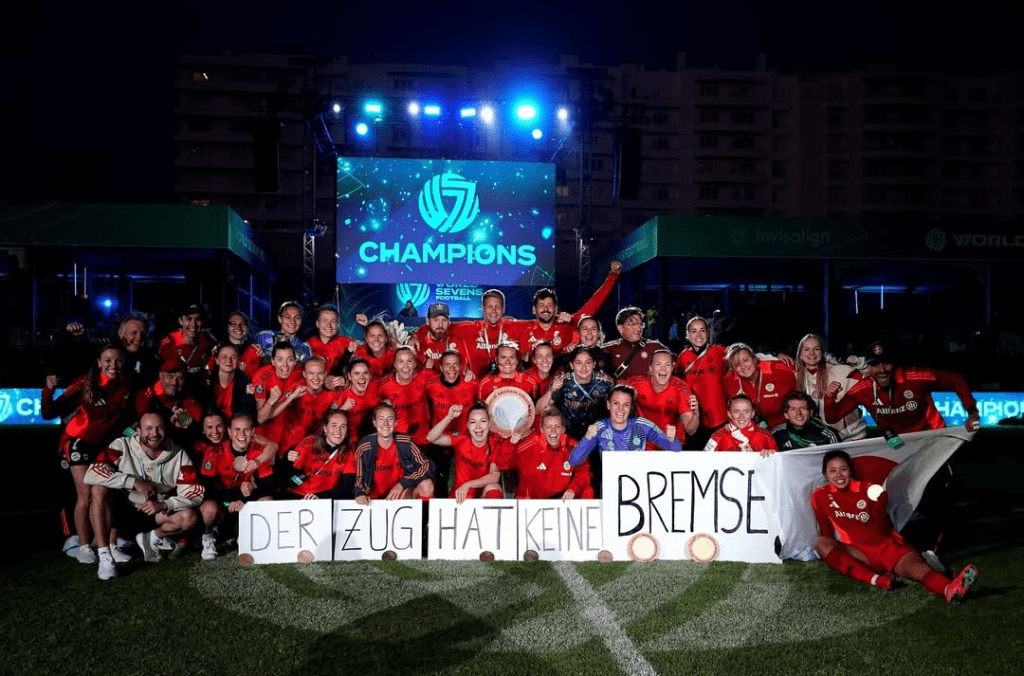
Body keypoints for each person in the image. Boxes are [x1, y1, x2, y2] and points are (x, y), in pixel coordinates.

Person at [812, 450, 977, 603]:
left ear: (851, 471)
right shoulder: (819, 495)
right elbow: (826, 532)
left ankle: (950, 588)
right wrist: (832, 556)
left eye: (843, 469)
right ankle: (876, 579)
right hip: (860, 554)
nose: (839, 475)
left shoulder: (869, 489)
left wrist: (879, 503)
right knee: (821, 542)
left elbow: (881, 529)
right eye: (832, 470)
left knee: (919, 571)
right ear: (825, 474)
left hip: (889, 549)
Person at [42, 344, 133, 565]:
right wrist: (48, 389)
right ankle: (85, 547)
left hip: (103, 446)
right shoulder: (86, 382)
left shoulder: (128, 384)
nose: (114, 365)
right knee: (86, 495)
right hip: (77, 443)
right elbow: (48, 413)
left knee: (107, 493)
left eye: (118, 360)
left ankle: (110, 545)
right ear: (99, 363)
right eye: (108, 360)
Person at [84, 411, 203, 579]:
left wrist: (164, 504)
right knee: (98, 489)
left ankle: (151, 538)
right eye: (148, 428)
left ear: (166, 430)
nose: (154, 434)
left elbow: (195, 492)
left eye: (159, 428)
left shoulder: (178, 454)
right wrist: (133, 482)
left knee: (190, 518)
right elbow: (92, 473)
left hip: (157, 512)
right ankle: (105, 556)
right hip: (124, 511)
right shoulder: (122, 445)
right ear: (138, 431)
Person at [823, 341, 980, 434]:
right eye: (875, 365)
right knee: (900, 477)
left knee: (938, 478)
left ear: (894, 363)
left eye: (886, 362)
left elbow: (956, 379)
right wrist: (829, 398)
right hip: (893, 437)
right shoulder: (862, 389)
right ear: (868, 368)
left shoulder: (914, 377)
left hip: (930, 432)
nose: (882, 369)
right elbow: (832, 417)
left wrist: (972, 412)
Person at [197, 413, 276, 560]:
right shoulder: (215, 452)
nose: (241, 434)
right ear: (229, 432)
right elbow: (207, 490)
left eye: (246, 430)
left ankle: (248, 536)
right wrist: (235, 494)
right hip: (223, 503)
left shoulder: (260, 454)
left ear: (252, 432)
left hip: (245, 504)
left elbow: (268, 488)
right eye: (237, 429)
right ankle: (208, 538)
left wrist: (245, 499)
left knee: (267, 501)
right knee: (208, 508)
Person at [569, 385, 682, 467]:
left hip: (637, 485)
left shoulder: (642, 425)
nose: (621, 409)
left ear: (631, 407)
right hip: (611, 488)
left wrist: (671, 440)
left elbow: (677, 449)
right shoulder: (599, 428)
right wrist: (587, 438)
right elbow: (574, 460)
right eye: (616, 403)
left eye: (626, 404)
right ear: (608, 405)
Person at [501, 409, 594, 500]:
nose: (553, 431)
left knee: (588, 491)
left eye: (557, 426)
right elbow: (504, 465)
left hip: (560, 500)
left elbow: (584, 473)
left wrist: (573, 489)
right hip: (530, 500)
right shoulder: (529, 445)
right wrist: (510, 444)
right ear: (541, 429)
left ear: (563, 429)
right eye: (548, 427)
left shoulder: (573, 447)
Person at [353, 402, 435, 503]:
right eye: (381, 419)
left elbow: (427, 465)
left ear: (396, 423)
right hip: (373, 499)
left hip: (399, 494)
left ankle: (423, 516)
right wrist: (360, 493)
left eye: (390, 419)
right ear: (374, 422)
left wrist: (402, 484)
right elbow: (359, 475)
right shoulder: (365, 446)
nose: (385, 424)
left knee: (427, 484)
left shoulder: (405, 442)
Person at [425, 403, 504, 503]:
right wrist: (449, 417)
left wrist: (468, 484)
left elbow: (495, 476)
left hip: (482, 497)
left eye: (482, 421)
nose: (478, 427)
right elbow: (431, 438)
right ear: (467, 425)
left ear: (489, 424)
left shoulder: (496, 442)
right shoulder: (461, 439)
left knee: (494, 489)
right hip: (460, 497)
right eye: (473, 422)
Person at [794, 333, 865, 440]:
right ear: (800, 354)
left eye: (816, 349)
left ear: (822, 352)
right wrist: (779, 354)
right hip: (822, 438)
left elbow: (871, 373)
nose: (812, 353)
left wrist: (856, 361)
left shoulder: (839, 370)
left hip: (852, 435)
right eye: (806, 349)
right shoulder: (796, 376)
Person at [537, 345, 615, 441]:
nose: (583, 367)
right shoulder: (562, 381)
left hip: (596, 435)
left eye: (588, 362)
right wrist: (551, 391)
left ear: (594, 364)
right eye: (579, 363)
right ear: (571, 365)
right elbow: (539, 410)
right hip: (568, 437)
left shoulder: (605, 382)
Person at [626, 349, 700, 449]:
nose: (663, 369)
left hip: (671, 445)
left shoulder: (680, 388)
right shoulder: (635, 384)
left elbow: (691, 430)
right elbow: (612, 399)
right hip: (643, 446)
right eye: (658, 364)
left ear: (672, 369)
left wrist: (696, 414)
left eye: (668, 365)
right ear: (650, 368)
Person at [672, 316, 730, 442]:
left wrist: (773, 356)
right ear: (687, 335)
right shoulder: (683, 357)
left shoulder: (719, 351)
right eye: (694, 331)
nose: (698, 335)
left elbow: (744, 357)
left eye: (702, 330)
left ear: (708, 333)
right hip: (695, 418)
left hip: (719, 418)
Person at [282, 410, 357, 500]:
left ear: (347, 431)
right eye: (333, 425)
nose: (338, 430)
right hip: (297, 496)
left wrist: (320, 497)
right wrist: (301, 486)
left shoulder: (350, 451)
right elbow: (289, 478)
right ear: (325, 428)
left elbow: (347, 488)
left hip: (326, 498)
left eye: (343, 426)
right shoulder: (308, 443)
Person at [723, 342, 797, 430]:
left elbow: (802, 371)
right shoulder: (729, 380)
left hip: (783, 427)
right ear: (733, 368)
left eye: (746, 360)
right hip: (751, 430)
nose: (743, 366)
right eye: (737, 364)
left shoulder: (776, 369)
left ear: (754, 359)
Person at [278, 357, 341, 453]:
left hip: (317, 446)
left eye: (320, 374)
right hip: (290, 445)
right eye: (311, 373)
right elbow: (276, 410)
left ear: (325, 374)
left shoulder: (331, 396)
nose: (316, 378)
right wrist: (292, 398)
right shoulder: (296, 389)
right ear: (304, 374)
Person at [376, 345, 436, 445]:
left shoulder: (426, 376)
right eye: (401, 361)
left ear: (415, 363)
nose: (406, 366)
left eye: (410, 361)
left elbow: (446, 383)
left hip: (424, 438)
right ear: (394, 365)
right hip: (397, 440)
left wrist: (467, 375)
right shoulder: (383, 386)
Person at [134, 358, 204, 441]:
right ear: (161, 376)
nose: (174, 383)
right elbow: (144, 425)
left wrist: (184, 422)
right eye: (170, 377)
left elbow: (196, 416)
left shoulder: (186, 394)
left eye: (179, 378)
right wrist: (169, 423)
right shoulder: (146, 395)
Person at [251, 341, 306, 445]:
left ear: (295, 362)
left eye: (289, 360)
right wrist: (272, 401)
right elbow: (260, 419)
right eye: (280, 360)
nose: (285, 365)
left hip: (288, 422)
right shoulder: (262, 377)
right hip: (262, 428)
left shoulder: (300, 371)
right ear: (273, 361)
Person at [158, 303, 216, 395]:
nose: (193, 324)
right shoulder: (168, 343)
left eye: (198, 319)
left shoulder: (208, 341)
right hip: (178, 393)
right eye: (188, 319)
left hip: (201, 391)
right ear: (180, 321)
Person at [603, 307, 669, 382]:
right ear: (620, 328)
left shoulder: (655, 347)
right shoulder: (609, 349)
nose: (639, 329)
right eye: (633, 324)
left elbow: (674, 369)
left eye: (641, 324)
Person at [408, 303, 472, 377]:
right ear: (428, 321)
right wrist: (425, 368)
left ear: (449, 322)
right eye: (436, 320)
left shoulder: (456, 339)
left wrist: (466, 372)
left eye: (444, 320)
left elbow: (462, 368)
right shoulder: (418, 343)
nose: (440, 325)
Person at [704, 394, 779, 456]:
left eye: (746, 412)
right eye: (736, 412)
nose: (741, 416)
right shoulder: (718, 436)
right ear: (729, 414)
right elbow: (704, 459)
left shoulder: (766, 436)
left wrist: (771, 456)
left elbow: (778, 465)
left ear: (752, 413)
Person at [307, 304, 358, 387]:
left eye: (333, 321)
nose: (329, 325)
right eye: (324, 321)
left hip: (339, 390)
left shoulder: (345, 342)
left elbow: (369, 347)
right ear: (317, 323)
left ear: (337, 324)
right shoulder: (308, 345)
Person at [771, 391, 840, 450]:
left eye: (803, 408)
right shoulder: (777, 434)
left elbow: (839, 461)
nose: (798, 413)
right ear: (786, 414)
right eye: (793, 409)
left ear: (811, 412)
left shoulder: (828, 435)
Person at [335, 358, 381, 446]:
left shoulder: (376, 388)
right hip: (348, 442)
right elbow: (328, 423)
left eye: (365, 373)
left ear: (370, 375)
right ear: (349, 376)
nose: (361, 377)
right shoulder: (342, 395)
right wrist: (343, 409)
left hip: (373, 439)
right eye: (356, 373)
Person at [477, 342, 542, 402]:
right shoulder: (486, 383)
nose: (508, 362)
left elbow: (535, 410)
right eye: (503, 357)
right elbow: (481, 411)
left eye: (512, 357)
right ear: (496, 360)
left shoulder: (529, 383)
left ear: (517, 360)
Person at [209, 342, 257, 420]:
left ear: (238, 361)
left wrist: (248, 396)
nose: (229, 360)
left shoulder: (245, 386)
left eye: (233, 357)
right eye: (224, 357)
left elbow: (247, 417)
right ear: (217, 360)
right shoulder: (207, 383)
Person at [221, 311, 264, 375]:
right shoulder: (219, 350)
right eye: (233, 324)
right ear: (227, 327)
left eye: (243, 324)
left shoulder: (256, 350)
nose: (238, 327)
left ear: (247, 327)